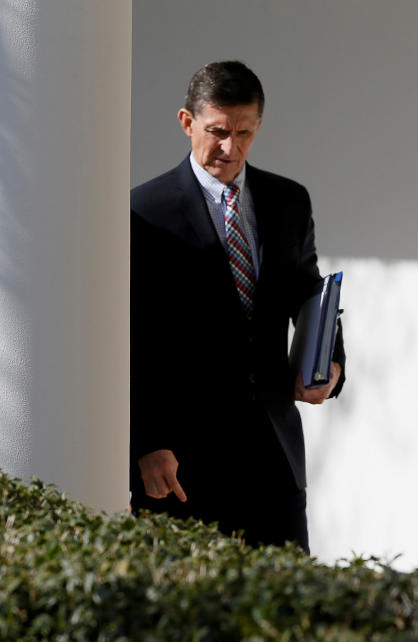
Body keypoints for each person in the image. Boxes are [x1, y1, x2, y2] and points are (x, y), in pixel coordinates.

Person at [130, 61, 345, 553]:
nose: (230, 147)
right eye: (217, 132)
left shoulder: (288, 201)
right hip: (182, 464)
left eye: (244, 133)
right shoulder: (143, 211)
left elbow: (307, 291)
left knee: (289, 615)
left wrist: (330, 363)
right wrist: (145, 443)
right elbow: (132, 337)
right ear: (187, 122)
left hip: (274, 456)